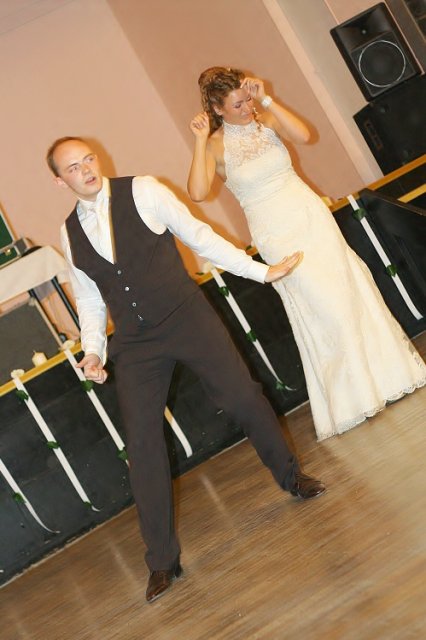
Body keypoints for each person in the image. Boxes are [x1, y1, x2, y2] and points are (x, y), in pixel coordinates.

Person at [47, 136, 325, 603]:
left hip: (185, 316)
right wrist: (92, 350)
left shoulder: (144, 190)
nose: (86, 169)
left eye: (89, 158)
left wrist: (260, 271)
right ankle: (162, 561)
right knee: (141, 445)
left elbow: (199, 236)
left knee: (242, 397)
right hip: (135, 342)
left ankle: (291, 477)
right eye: (73, 167)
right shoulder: (68, 232)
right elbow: (90, 299)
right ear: (61, 180)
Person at [188, 67, 426, 442]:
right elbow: (198, 192)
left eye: (247, 99)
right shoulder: (215, 147)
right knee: (323, 306)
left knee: (346, 294)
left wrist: (266, 99)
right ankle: (352, 399)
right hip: (275, 233)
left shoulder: (265, 120)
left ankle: (389, 379)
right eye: (237, 104)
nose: (247, 108)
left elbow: (304, 134)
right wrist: (200, 141)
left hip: (310, 215)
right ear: (217, 108)